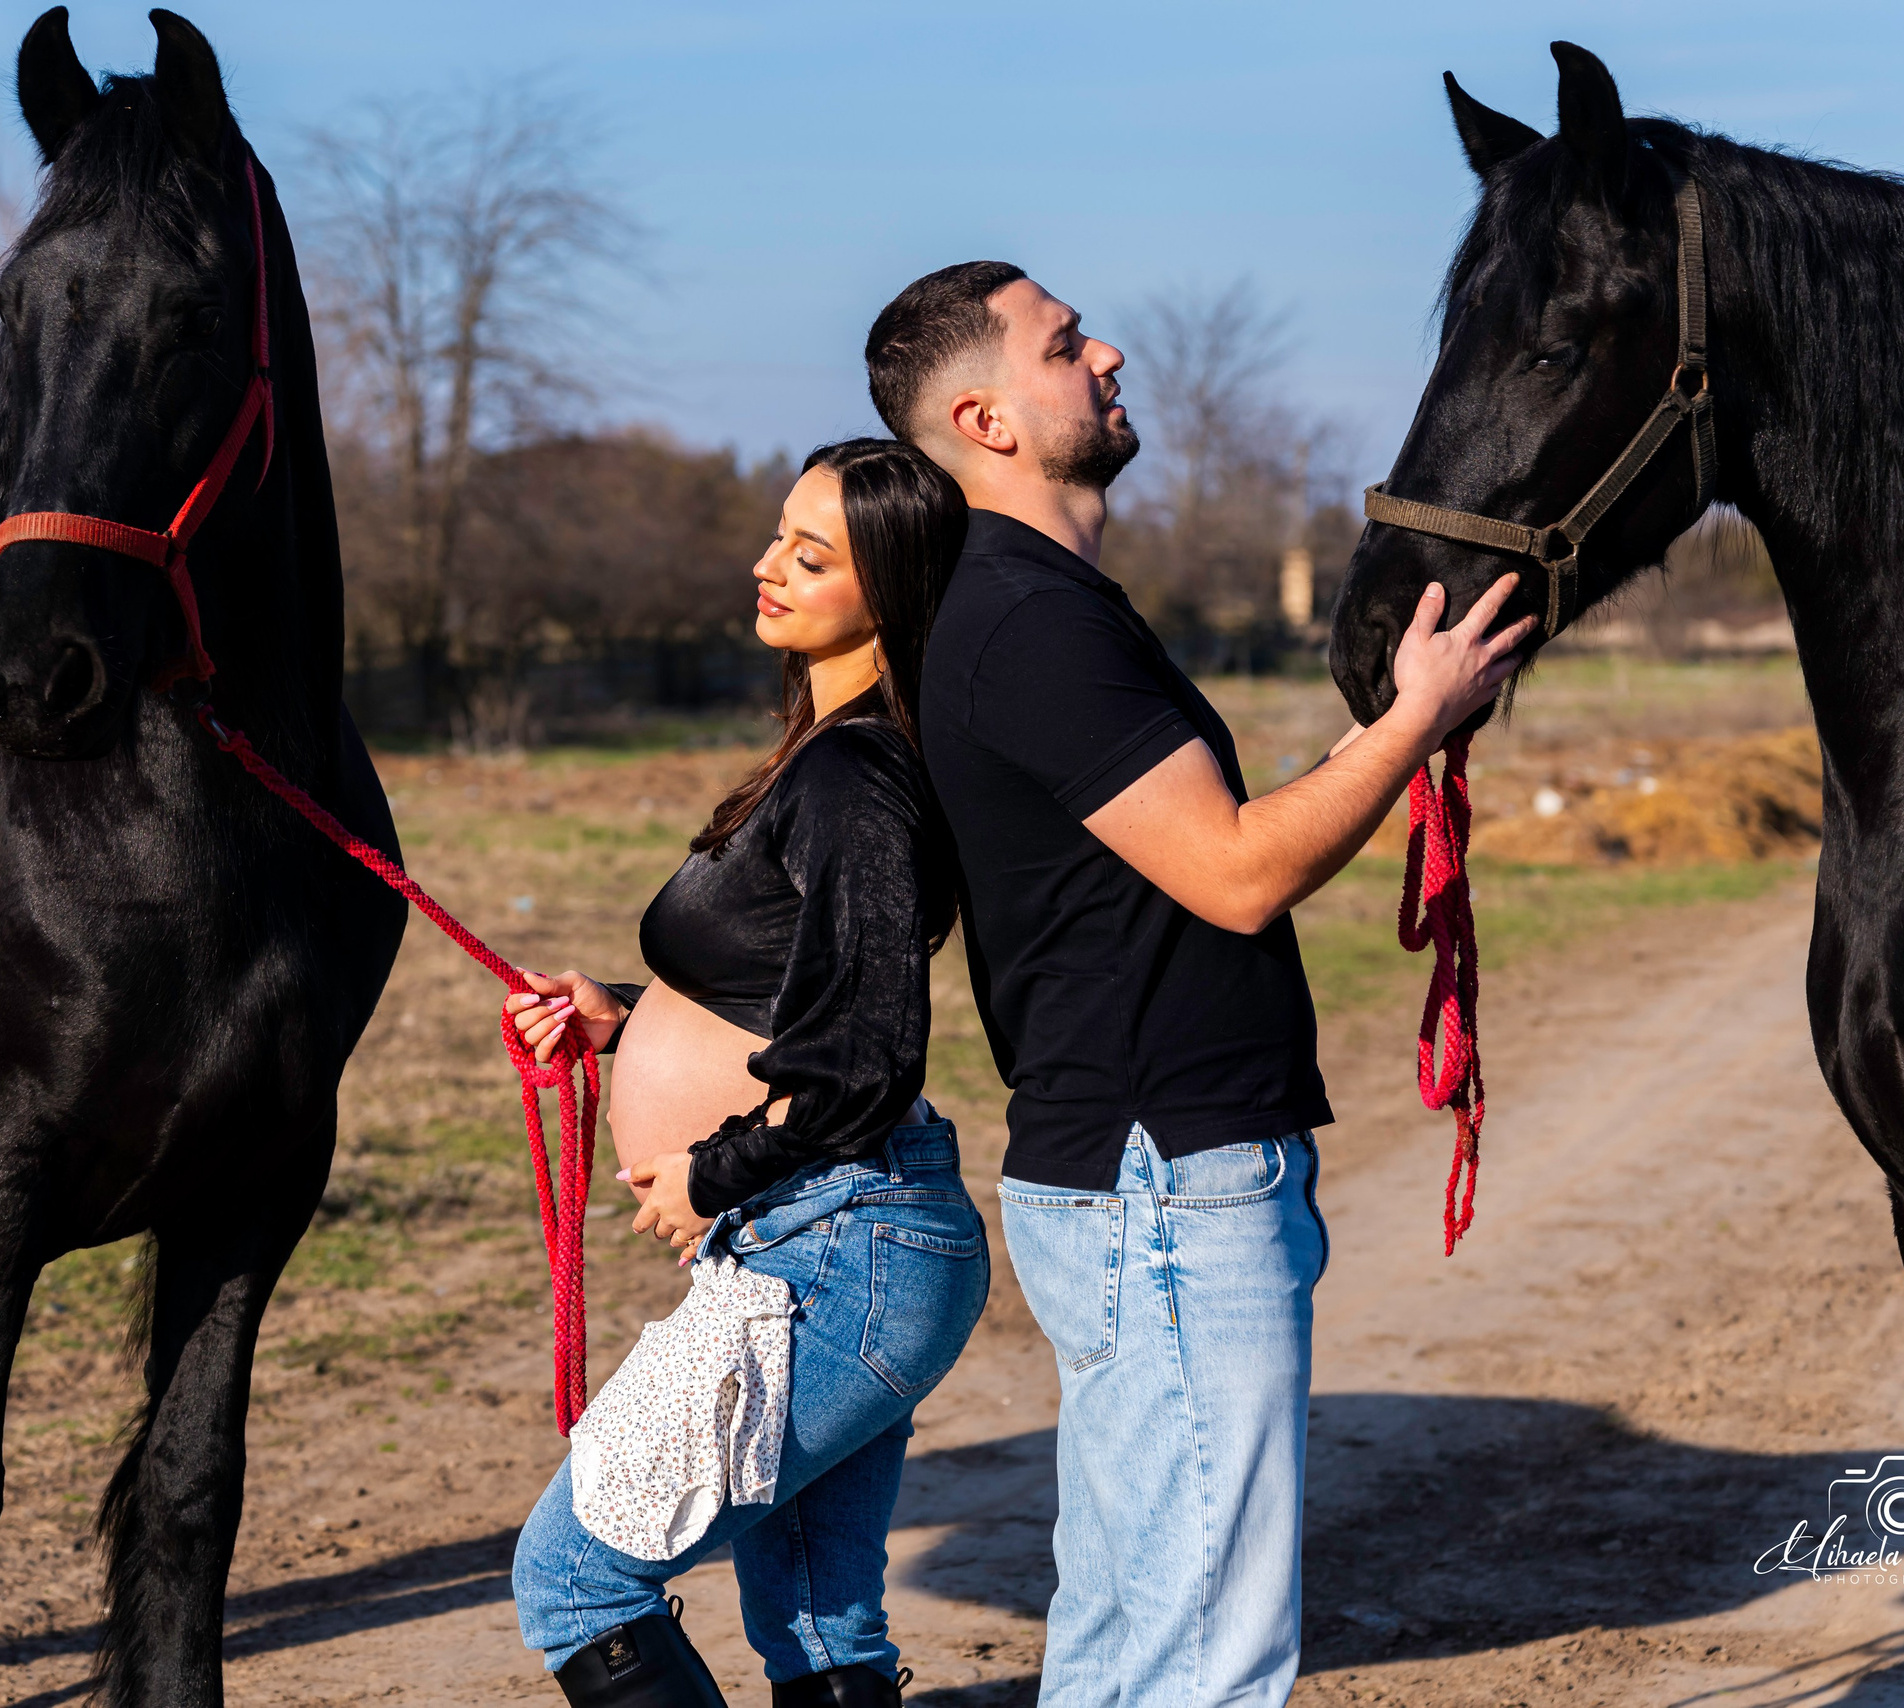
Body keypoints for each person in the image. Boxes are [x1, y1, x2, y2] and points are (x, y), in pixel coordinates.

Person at [864, 262, 1530, 1707]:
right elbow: (1232, 870)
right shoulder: (1030, 618)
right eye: (1061, 343)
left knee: (1133, 1624)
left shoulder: (1031, 601)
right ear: (983, 417)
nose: (1106, 349)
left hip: (1143, 1172)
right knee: (1200, 1650)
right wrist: (1416, 719)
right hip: (1163, 1179)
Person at [503, 438, 986, 1708]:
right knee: (817, 1616)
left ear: (889, 588)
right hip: (835, 1239)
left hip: (832, 1245)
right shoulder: (831, 753)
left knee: (572, 1575)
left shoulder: (855, 773)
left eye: (810, 556)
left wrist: (714, 1171)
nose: (767, 566)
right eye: (779, 535)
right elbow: (797, 988)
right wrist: (625, 1018)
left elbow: (871, 1057)